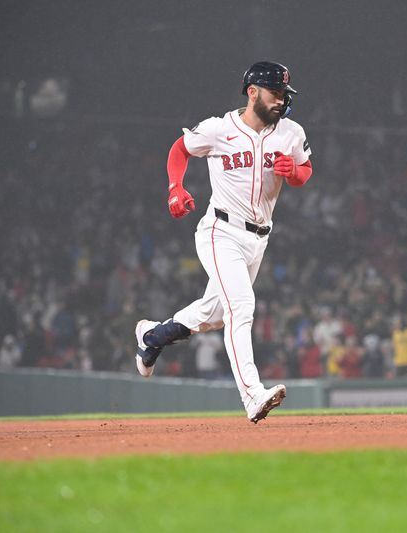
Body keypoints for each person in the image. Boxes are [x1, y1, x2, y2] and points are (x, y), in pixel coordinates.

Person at [133, 61, 312, 423]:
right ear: (253, 92)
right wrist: (175, 187)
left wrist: (292, 172)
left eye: (284, 94)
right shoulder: (219, 129)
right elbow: (180, 149)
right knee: (241, 306)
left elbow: (304, 172)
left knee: (214, 314)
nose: (281, 100)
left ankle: (152, 336)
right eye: (275, 93)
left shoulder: (290, 132)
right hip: (220, 231)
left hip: (259, 239)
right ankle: (252, 396)